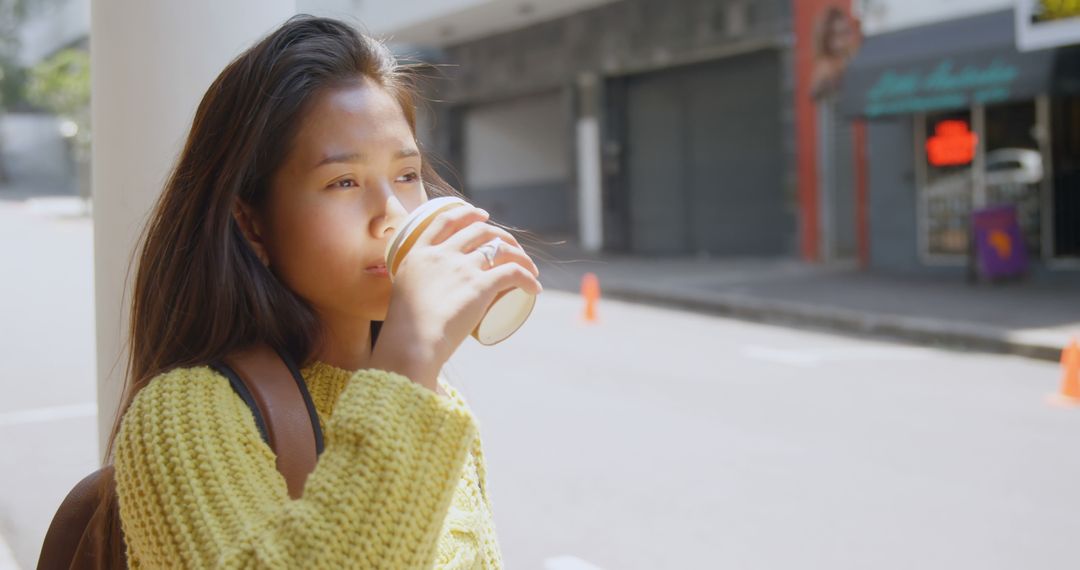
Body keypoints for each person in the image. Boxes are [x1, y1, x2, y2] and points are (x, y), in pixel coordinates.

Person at [106, 15, 542, 569]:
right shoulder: (182, 415)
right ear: (252, 223)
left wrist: (411, 374)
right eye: (344, 182)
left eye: (406, 175)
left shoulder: (437, 404)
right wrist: (409, 358)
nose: (393, 216)